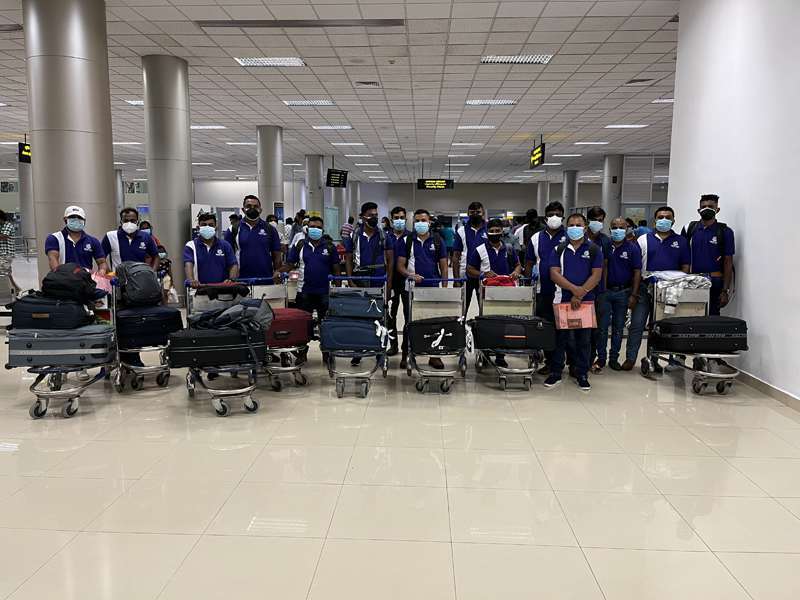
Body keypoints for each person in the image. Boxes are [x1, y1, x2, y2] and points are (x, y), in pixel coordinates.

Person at [623, 206, 690, 371]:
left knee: (665, 326)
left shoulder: (681, 241)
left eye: (668, 217)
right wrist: (634, 291)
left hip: (669, 291)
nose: (664, 220)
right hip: (645, 288)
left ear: (673, 221)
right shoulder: (643, 239)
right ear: (655, 220)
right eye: (660, 217)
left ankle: (658, 359)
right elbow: (636, 267)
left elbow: (686, 266)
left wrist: (677, 283)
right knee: (637, 324)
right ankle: (630, 358)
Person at [545, 214, 603, 391]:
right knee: (561, 339)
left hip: (586, 301)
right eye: (571, 225)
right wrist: (574, 290)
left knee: (584, 340)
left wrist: (580, 294)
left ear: (585, 227)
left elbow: (596, 275)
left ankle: (582, 373)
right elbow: (554, 274)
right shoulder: (559, 249)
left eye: (578, 225)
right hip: (562, 299)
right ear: (566, 227)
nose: (575, 228)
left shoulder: (593, 249)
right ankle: (556, 372)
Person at [397, 209, 449, 370]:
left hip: (432, 288)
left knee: (434, 322)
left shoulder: (438, 240)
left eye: (423, 220)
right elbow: (400, 265)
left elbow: (443, 266)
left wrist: (444, 288)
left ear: (429, 222)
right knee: (410, 322)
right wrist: (410, 275)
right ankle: (406, 354)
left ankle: (434, 356)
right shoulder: (406, 240)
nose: (420, 223)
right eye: (417, 221)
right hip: (411, 289)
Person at [467, 218, 522, 369]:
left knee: (504, 323)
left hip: (505, 293)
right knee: (487, 323)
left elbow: (518, 265)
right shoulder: (480, 250)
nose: (495, 233)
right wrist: (482, 274)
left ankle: (500, 356)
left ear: (502, 231)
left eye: (498, 230)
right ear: (487, 232)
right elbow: (470, 269)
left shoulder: (509, 249)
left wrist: (516, 272)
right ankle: (485, 353)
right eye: (492, 231)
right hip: (487, 293)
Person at [344, 201, 394, 365]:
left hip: (378, 281)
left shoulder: (384, 236)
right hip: (360, 281)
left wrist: (388, 284)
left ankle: (380, 351)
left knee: (379, 317)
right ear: (362, 217)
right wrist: (350, 280)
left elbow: (390, 261)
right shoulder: (354, 236)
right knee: (359, 317)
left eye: (376, 215)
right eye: (371, 215)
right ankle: (358, 350)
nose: (374, 218)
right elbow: (348, 259)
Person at [524, 201, 566, 374]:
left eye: (558, 214)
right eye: (550, 214)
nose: (554, 217)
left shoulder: (570, 236)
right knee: (547, 328)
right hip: (544, 291)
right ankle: (550, 362)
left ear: (563, 217)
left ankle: (569, 362)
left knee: (566, 330)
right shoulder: (536, 238)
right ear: (545, 217)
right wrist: (529, 283)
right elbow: (529, 262)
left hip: (566, 292)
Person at [682, 194, 735, 316]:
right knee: (690, 316)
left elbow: (728, 261)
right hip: (692, 280)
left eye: (711, 206)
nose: (707, 209)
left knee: (712, 317)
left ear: (717, 209)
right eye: (703, 206)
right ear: (698, 210)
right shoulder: (689, 229)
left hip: (715, 281)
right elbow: (682, 257)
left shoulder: (725, 231)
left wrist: (725, 290)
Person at [601, 218, 642, 371]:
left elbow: (637, 272)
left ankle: (613, 358)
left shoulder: (633, 248)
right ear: (610, 229)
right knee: (602, 328)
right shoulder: (605, 246)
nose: (617, 230)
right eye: (614, 227)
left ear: (627, 229)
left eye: (621, 227)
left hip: (623, 292)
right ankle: (601, 357)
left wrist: (634, 295)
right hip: (605, 292)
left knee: (618, 328)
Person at [286, 215, 340, 321]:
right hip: (304, 291)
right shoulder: (300, 245)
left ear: (322, 230)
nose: (315, 229)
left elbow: (336, 269)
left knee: (325, 322)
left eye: (319, 227)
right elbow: (289, 264)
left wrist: (337, 290)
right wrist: (278, 272)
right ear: (307, 229)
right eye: (312, 227)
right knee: (303, 324)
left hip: (324, 292)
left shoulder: (330, 247)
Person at [224, 195, 281, 282]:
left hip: (266, 279)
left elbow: (277, 254)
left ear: (260, 210)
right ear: (243, 209)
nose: (252, 209)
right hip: (240, 281)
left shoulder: (270, 229)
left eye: (256, 206)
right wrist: (230, 277)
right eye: (248, 206)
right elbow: (227, 256)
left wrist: (277, 271)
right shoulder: (233, 229)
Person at [585, 206, 613, 373]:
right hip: (581, 289)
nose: (597, 223)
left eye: (600, 220)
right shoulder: (579, 238)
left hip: (599, 291)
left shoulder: (605, 241)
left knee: (598, 328)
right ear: (588, 220)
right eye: (594, 220)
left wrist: (604, 287)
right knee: (582, 328)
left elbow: (605, 266)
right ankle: (578, 359)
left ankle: (595, 358)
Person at [45, 205, 107, 274]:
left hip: (86, 279)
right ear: (65, 219)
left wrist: (101, 273)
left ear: (84, 221)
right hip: (63, 279)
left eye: (79, 217)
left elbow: (102, 262)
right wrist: (63, 276)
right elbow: (53, 261)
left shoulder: (92, 241)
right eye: (72, 217)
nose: (76, 219)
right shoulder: (54, 238)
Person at [452, 201, 488, 313]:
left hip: (484, 276)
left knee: (485, 309)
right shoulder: (461, 231)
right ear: (468, 214)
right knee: (461, 310)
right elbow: (455, 257)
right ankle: (461, 324)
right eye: (472, 212)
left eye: (478, 212)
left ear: (483, 213)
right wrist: (456, 279)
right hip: (465, 277)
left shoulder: (489, 230)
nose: (475, 214)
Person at [183, 212, 238, 286]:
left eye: (211, 225)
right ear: (198, 228)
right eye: (204, 225)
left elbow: (233, 265)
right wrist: (191, 280)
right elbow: (188, 264)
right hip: (199, 289)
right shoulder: (191, 246)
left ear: (216, 227)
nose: (207, 227)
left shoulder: (225, 245)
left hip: (223, 289)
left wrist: (231, 280)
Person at [386, 206, 411, 359]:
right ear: (391, 219)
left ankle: (406, 346)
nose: (399, 220)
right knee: (390, 314)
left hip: (407, 281)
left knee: (408, 314)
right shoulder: (386, 236)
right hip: (390, 281)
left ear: (406, 219)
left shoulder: (411, 237)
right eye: (396, 218)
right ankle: (393, 345)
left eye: (402, 218)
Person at [0, 210, 19, 293]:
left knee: (3, 272)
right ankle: (16, 289)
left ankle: (8, 292)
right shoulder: (1, 226)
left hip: (6, 254)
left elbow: (4, 236)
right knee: (7, 273)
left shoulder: (8, 225)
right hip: (2, 253)